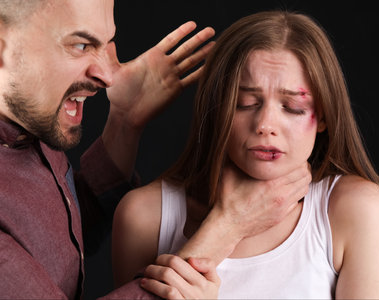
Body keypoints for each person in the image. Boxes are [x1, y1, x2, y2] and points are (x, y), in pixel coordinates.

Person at [0, 1, 312, 299]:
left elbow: (53, 236)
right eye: (81, 46)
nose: (108, 75)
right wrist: (226, 228)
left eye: (107, 44)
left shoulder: (29, 125)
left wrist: (125, 122)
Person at [113, 10, 379, 299]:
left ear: (323, 117)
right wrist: (228, 224)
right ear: (217, 110)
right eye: (245, 103)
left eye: (293, 107)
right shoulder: (145, 217)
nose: (265, 125)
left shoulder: (355, 210)